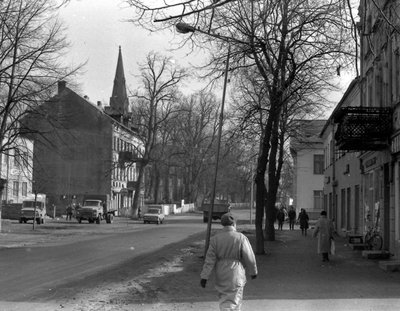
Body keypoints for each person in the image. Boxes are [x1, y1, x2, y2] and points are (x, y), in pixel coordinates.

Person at [200, 213, 258, 311]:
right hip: (236, 272)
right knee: (234, 302)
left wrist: (204, 277)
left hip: (221, 273)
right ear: (234, 224)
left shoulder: (215, 239)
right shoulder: (240, 237)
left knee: (224, 300)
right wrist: (253, 272)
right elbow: (249, 257)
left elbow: (209, 260)